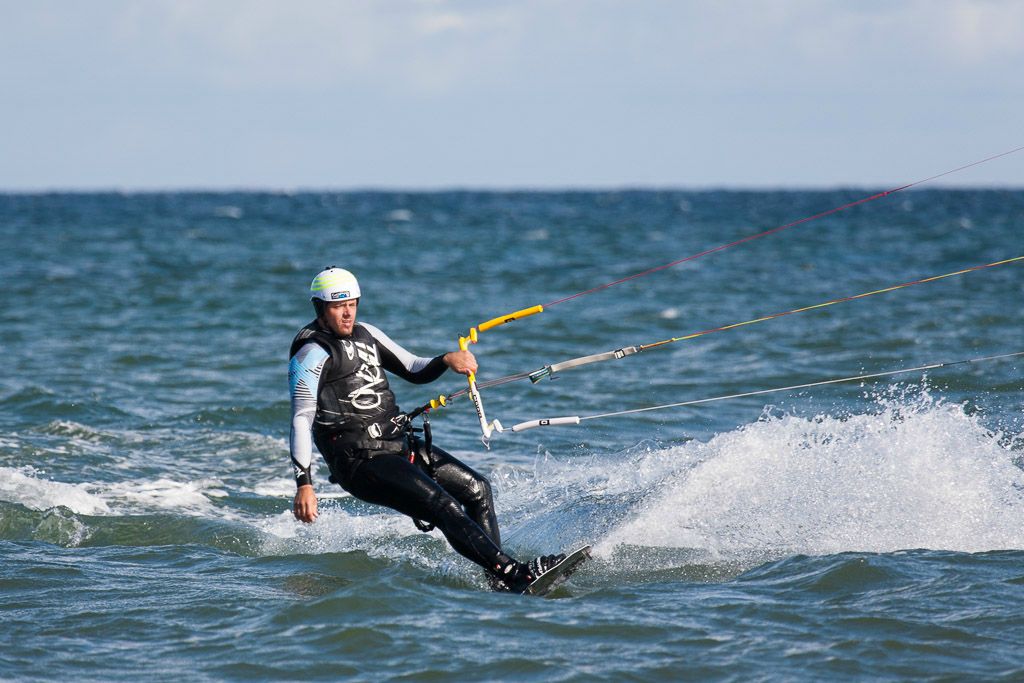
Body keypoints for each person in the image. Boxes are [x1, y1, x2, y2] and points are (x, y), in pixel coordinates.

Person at [288, 266, 562, 592]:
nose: (347, 313)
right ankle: (516, 574)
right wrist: (304, 483)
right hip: (360, 462)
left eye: (352, 304)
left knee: (478, 490)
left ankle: (497, 582)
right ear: (320, 309)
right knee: (443, 506)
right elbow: (301, 418)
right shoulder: (312, 352)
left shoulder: (367, 333)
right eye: (337, 306)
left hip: (397, 445)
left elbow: (413, 369)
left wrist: (446, 359)